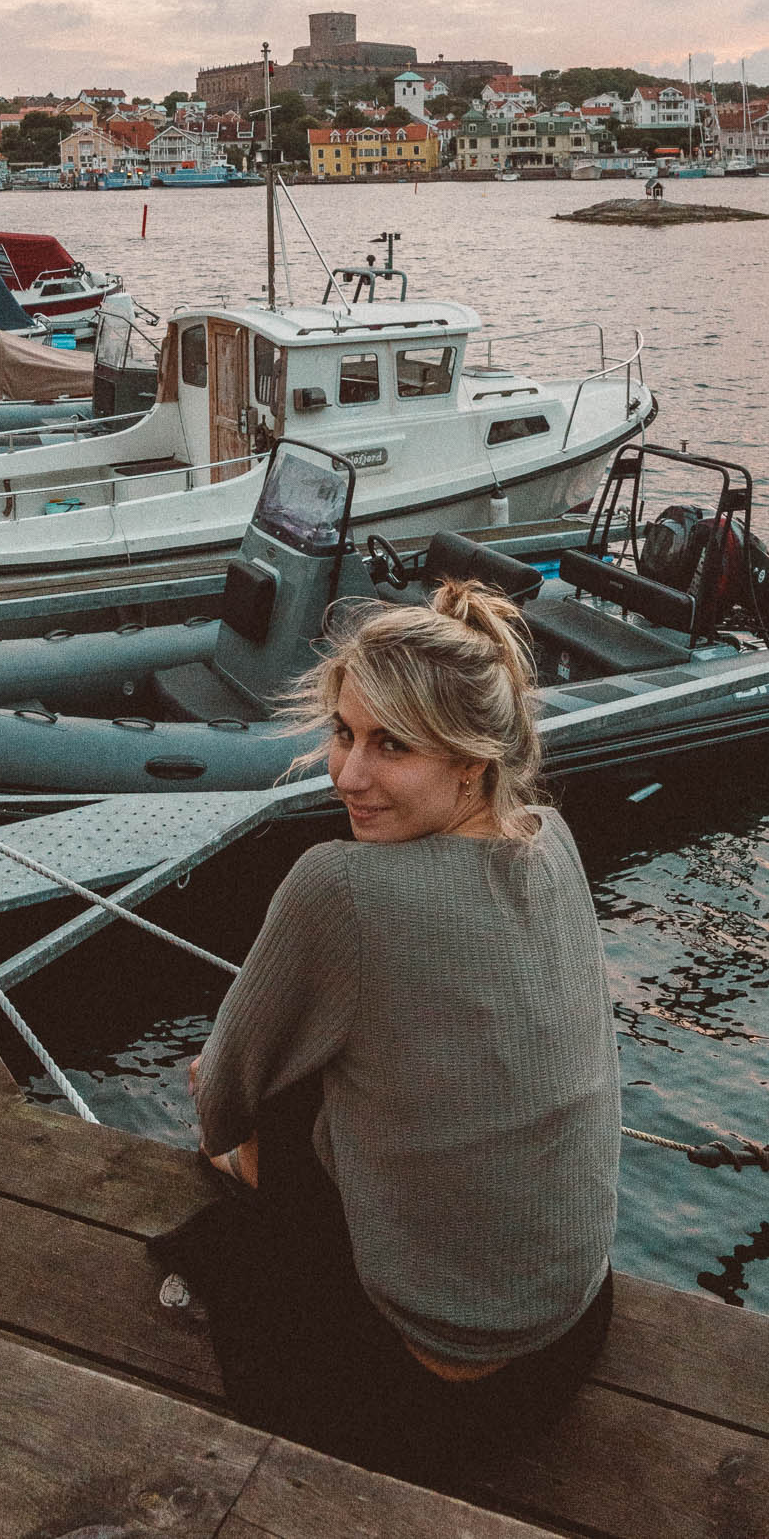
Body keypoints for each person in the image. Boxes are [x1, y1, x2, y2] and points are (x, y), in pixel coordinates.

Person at [149, 579, 620, 1485]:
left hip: (427, 1384)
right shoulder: (553, 839)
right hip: (569, 1329)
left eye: (391, 746)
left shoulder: (341, 888)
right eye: (343, 733)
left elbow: (223, 1104)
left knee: (266, 1108)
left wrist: (231, 1125)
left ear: (471, 762)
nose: (348, 775)